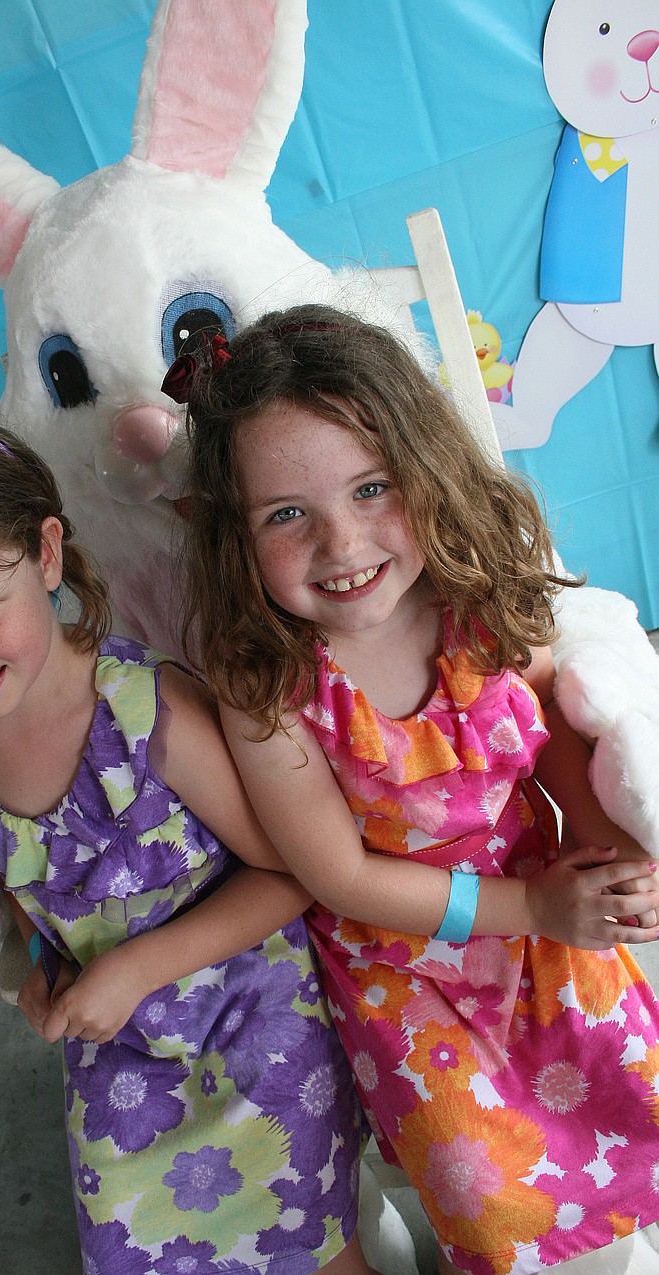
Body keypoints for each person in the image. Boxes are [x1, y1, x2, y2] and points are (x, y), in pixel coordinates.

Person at [0, 406, 376, 1275]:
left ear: (47, 553)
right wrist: (46, 977)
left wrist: (137, 968)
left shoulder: (147, 713)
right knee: (132, 1243)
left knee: (307, 1240)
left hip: (255, 1016)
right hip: (120, 1043)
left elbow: (291, 877)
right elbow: (20, 879)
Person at [178, 306, 659, 1275]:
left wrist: (603, 847)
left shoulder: (470, 588)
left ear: (423, 469)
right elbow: (340, 875)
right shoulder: (265, 684)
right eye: (286, 515)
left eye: (370, 489)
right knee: (479, 1182)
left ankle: (617, 1230)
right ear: (235, 532)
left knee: (633, 1078)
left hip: (536, 900)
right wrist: (533, 905)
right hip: (403, 956)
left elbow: (548, 730)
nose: (341, 544)